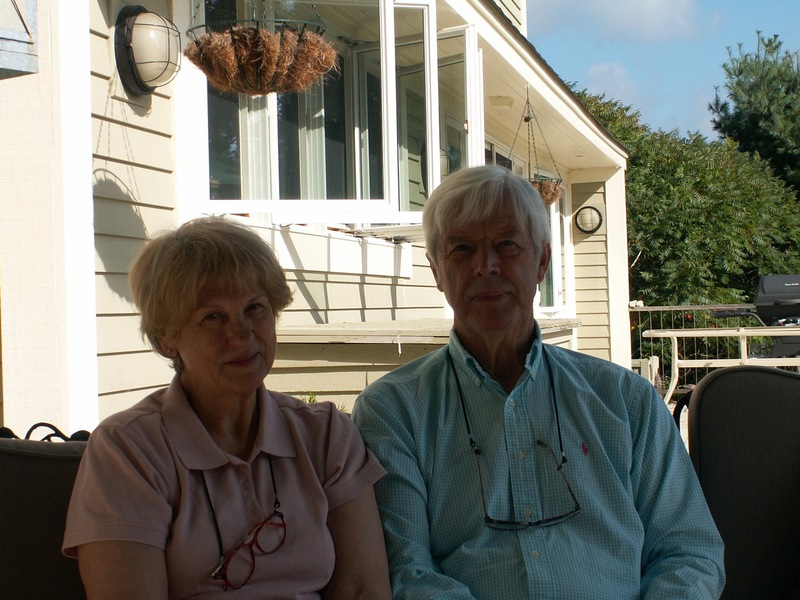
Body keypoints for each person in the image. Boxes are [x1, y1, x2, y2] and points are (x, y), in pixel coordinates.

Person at [352, 164, 725, 599]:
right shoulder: (393, 410)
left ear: (542, 262)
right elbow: (405, 571)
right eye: (462, 249)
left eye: (507, 245)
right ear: (436, 270)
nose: (485, 266)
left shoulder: (625, 400)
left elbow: (688, 552)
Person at [63, 216, 392, 599]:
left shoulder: (326, 435)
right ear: (167, 338)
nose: (241, 334)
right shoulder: (130, 451)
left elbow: (363, 589)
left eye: (255, 308)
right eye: (213, 317)